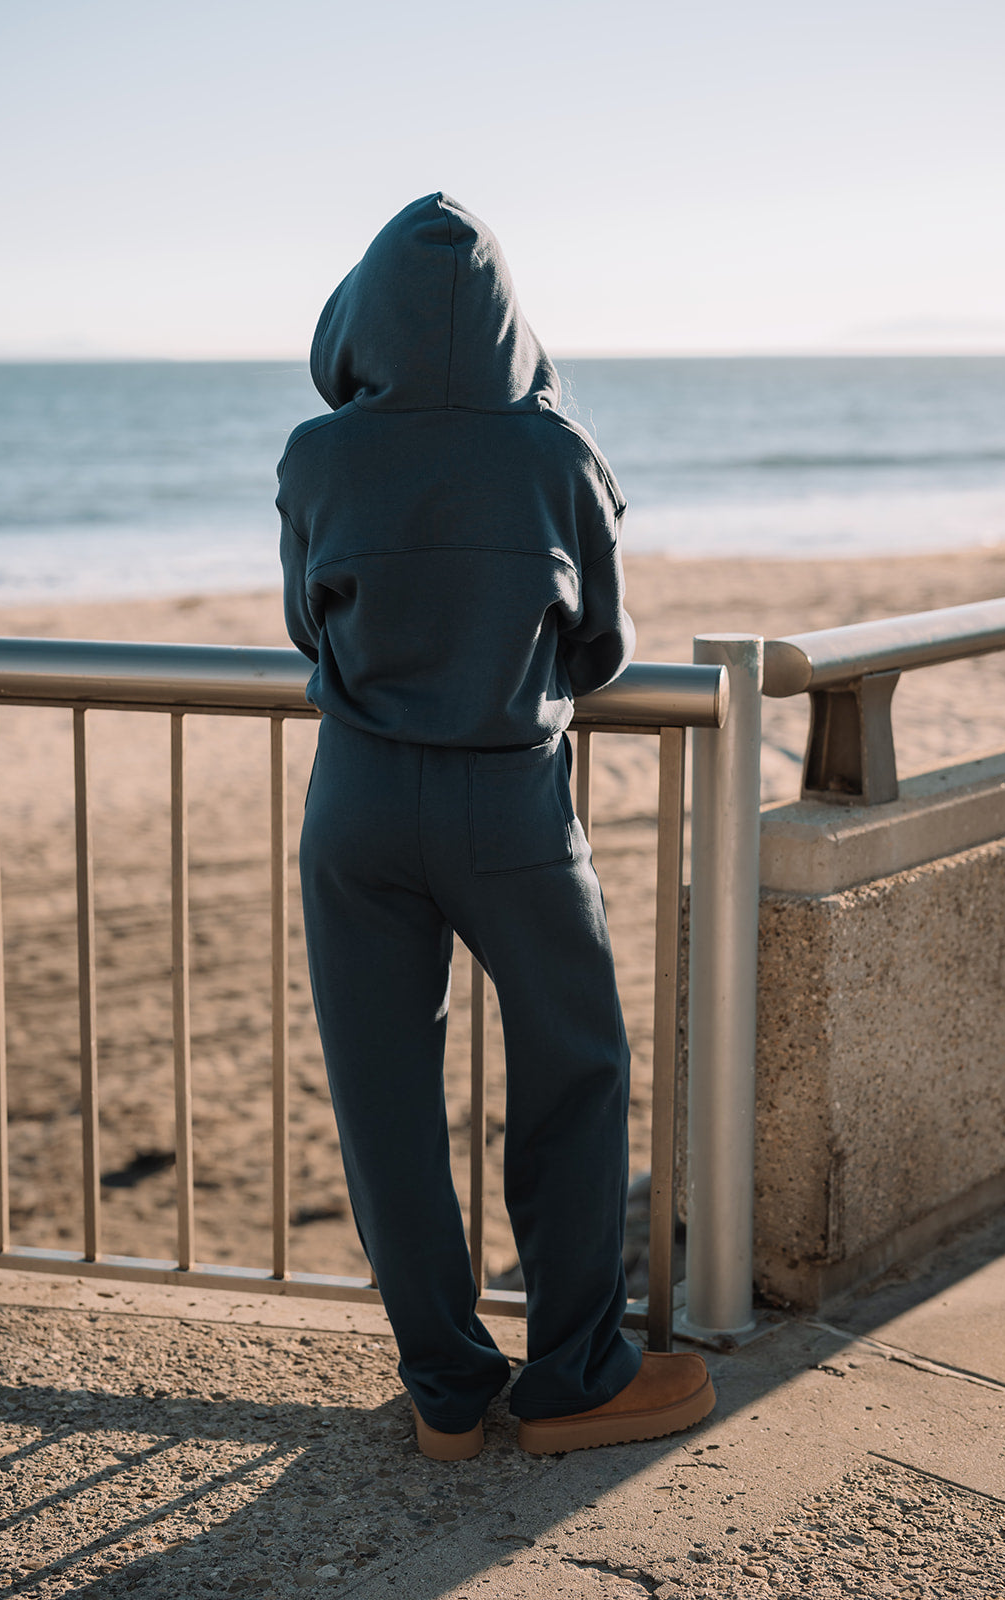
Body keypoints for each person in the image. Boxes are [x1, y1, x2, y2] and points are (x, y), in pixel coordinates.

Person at [278, 193, 714, 1459]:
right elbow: (602, 644)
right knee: (573, 1071)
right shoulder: (554, 452)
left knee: (382, 1093)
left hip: (356, 800)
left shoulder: (318, 455)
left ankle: (446, 1391)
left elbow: (309, 626)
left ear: (358, 317)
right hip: (508, 798)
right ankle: (572, 1377)